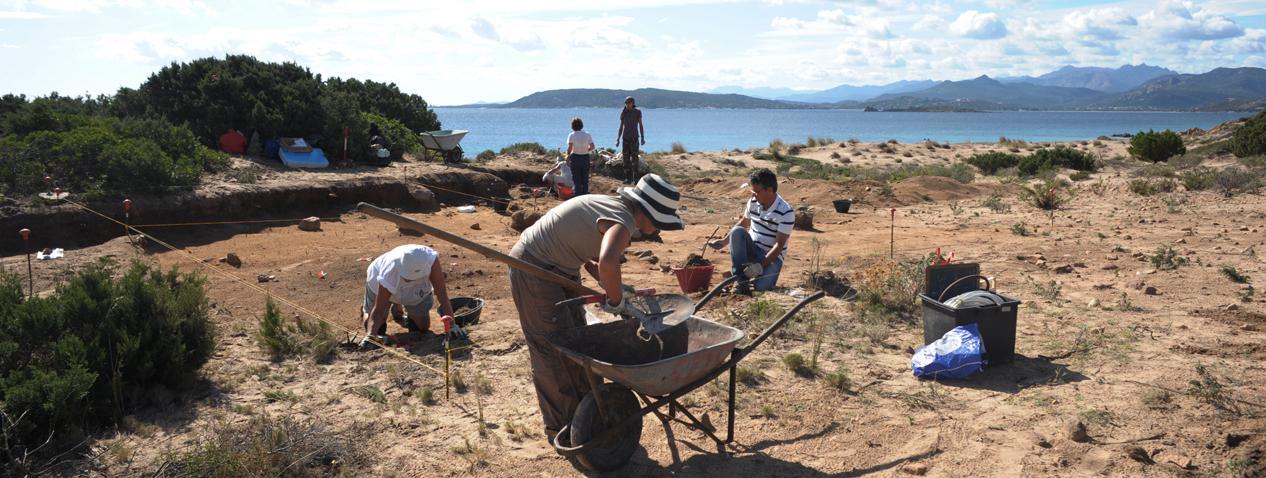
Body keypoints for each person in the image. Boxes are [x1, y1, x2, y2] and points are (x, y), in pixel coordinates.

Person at [508, 174, 683, 442]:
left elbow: (593, 258)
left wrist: (619, 290)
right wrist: (616, 301)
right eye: (658, 223)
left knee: (578, 342)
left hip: (561, 266)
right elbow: (608, 263)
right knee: (551, 349)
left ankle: (586, 411)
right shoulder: (623, 221)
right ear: (647, 214)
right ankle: (564, 428)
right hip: (533, 267)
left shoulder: (611, 208)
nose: (657, 230)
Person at [708, 169, 794, 295]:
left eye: (757, 191)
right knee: (737, 231)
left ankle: (751, 276)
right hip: (752, 249)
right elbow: (743, 222)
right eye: (752, 191)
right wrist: (723, 242)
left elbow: (778, 246)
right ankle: (740, 279)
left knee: (761, 288)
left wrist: (759, 266)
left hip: (771, 257)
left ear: (769, 190)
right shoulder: (753, 202)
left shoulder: (786, 212)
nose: (753, 195)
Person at [361, 244, 456, 346]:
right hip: (380, 285)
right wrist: (370, 336)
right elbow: (378, 310)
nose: (409, 278)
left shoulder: (431, 260)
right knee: (377, 329)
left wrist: (453, 325)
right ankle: (369, 310)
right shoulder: (389, 272)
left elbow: (442, 294)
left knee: (421, 328)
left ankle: (398, 307)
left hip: (416, 289)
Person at [615, 96, 644, 185]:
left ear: (632, 103)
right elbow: (621, 127)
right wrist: (618, 139)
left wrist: (642, 137)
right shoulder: (624, 113)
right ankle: (628, 178)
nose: (627, 104)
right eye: (626, 103)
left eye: (628, 103)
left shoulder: (638, 112)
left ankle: (636, 179)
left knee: (635, 160)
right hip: (625, 139)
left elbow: (640, 125)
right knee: (626, 160)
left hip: (634, 138)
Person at [565, 117, 595, 195]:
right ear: (581, 125)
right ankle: (585, 195)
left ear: (572, 126)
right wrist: (586, 150)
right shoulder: (587, 134)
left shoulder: (571, 135)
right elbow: (592, 146)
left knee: (576, 179)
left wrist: (567, 156)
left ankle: (578, 196)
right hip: (585, 157)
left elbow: (569, 148)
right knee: (585, 179)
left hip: (575, 158)